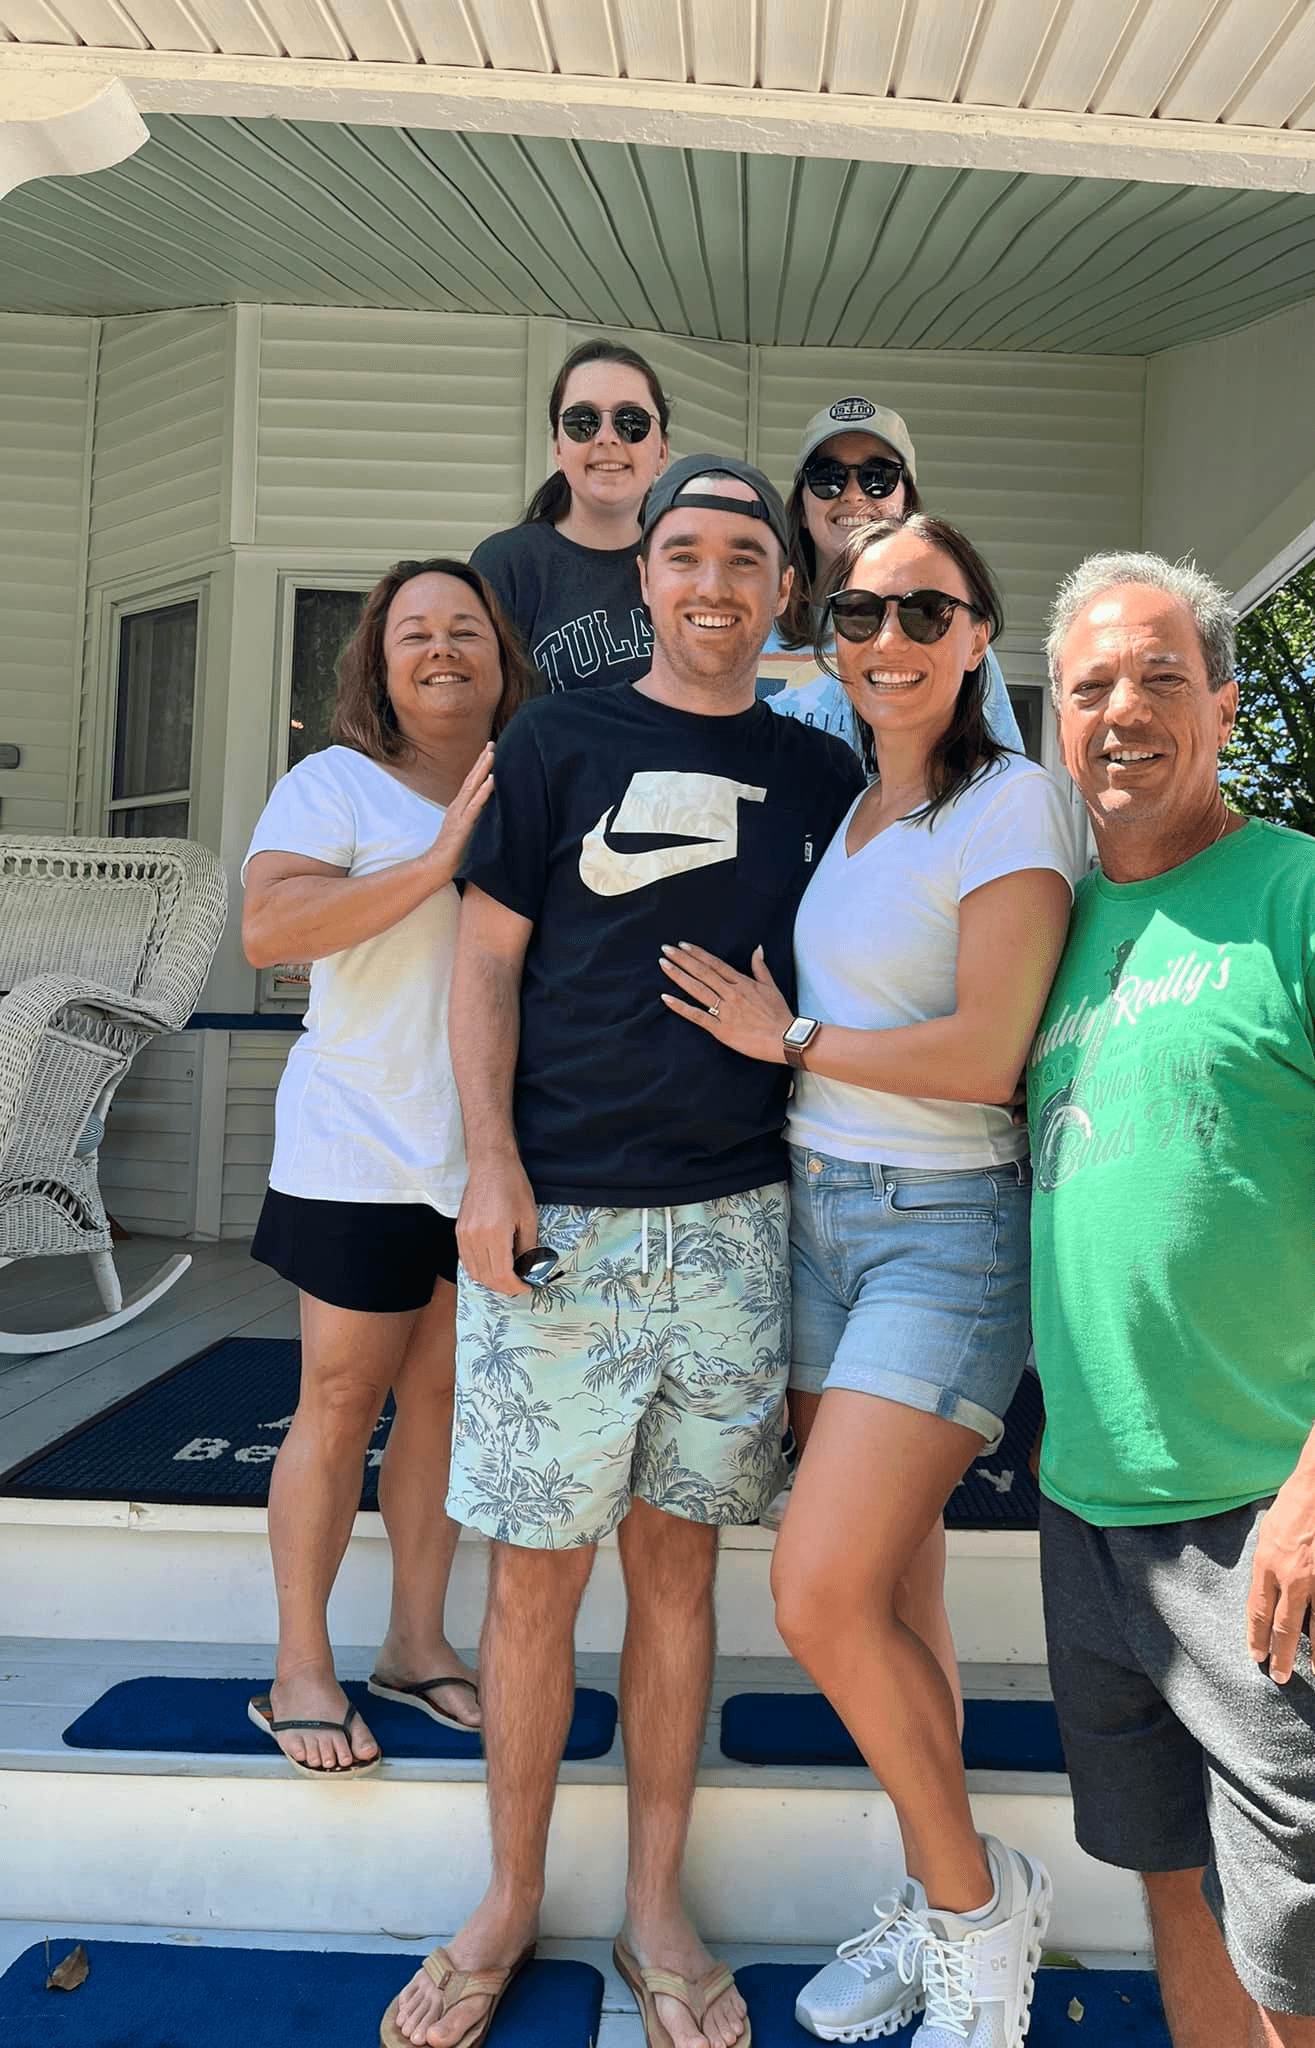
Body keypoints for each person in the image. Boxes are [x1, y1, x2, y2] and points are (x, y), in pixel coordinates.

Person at [381, 456, 866, 2048]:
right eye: (685, 554)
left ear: (781, 589)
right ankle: (509, 1898)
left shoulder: (817, 776)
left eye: (745, 555)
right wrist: (492, 1163)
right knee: (534, 1591)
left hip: (738, 1225)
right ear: (642, 582)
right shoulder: (555, 741)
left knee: (677, 1579)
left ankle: (656, 1902)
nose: (716, 580)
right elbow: (487, 966)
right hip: (562, 1230)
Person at [1027, 550, 1315, 2048]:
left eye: (1161, 676)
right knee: (1174, 1889)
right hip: (1097, 1515)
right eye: (1090, 686)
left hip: (1273, 1520)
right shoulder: (1064, 930)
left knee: (1305, 1964)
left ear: (1222, 705)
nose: (1123, 711)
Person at [659, 513, 1075, 2048]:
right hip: (821, 1215)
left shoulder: (1010, 805)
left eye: (924, 612)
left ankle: (978, 1915)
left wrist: (797, 1044)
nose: (885, 639)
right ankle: (935, 1887)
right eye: (858, 614)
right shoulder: (850, 803)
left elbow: (987, 1054)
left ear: (979, 636)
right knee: (896, 1590)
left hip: (944, 1227)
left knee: (818, 1588)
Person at [242, 558, 532, 1775]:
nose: (441, 648)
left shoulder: (531, 778)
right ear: (379, 658)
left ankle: (417, 1642)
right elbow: (271, 929)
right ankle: (298, 1662)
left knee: (446, 1404)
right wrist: (431, 861)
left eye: (465, 628)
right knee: (340, 1400)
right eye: (415, 631)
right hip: (357, 1143)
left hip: (480, 1152)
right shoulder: (335, 783)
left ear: (500, 655)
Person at [756, 396, 1024, 759]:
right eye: (827, 478)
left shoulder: (950, 630)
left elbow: (999, 775)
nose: (853, 495)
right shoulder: (753, 625)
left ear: (907, 503)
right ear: (801, 508)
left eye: (877, 477)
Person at [470, 338, 670, 694]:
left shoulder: (684, 564)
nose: (607, 437)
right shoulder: (507, 565)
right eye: (583, 421)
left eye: (631, 421)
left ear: (662, 452)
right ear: (559, 449)